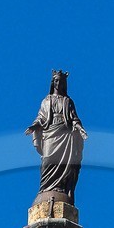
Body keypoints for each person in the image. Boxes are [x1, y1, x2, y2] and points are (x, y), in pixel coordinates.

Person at [25, 69, 88, 201]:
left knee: (65, 163)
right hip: (50, 133)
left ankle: (61, 187)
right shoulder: (46, 101)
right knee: (47, 160)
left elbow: (74, 118)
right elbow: (41, 118)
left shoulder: (68, 101)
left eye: (61, 81)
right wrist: (34, 126)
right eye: (56, 81)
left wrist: (80, 129)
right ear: (53, 82)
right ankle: (46, 188)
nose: (58, 83)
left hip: (65, 134)